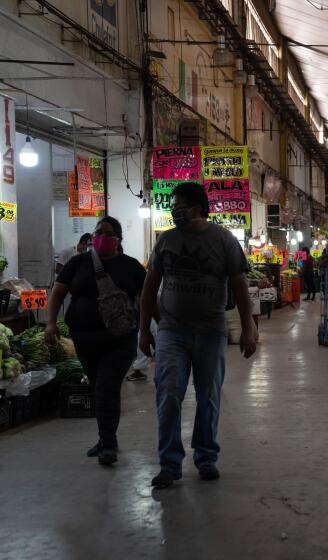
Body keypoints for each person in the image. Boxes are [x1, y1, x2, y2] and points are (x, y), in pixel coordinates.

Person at [139, 181, 257, 489]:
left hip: (210, 332)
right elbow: (150, 286)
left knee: (209, 397)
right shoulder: (166, 240)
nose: (174, 211)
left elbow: (240, 285)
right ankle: (169, 463)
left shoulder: (224, 240)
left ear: (196, 208)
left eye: (178, 205)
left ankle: (206, 457)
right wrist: (144, 330)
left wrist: (249, 327)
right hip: (172, 332)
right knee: (168, 395)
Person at [45, 217, 146, 466]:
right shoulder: (77, 264)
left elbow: (146, 299)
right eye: (98, 232)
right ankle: (105, 438)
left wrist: (149, 330)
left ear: (118, 239)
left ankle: (108, 443)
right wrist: (50, 323)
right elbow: (58, 292)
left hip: (119, 340)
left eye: (108, 232)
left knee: (106, 387)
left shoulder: (131, 267)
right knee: (97, 387)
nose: (102, 236)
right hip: (85, 339)